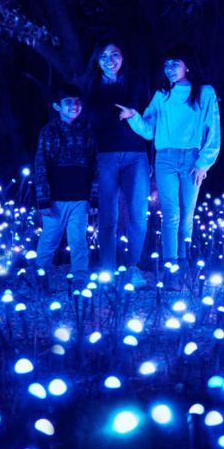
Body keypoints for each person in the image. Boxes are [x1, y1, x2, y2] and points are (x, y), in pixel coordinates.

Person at [118, 44, 220, 288]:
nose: (169, 69)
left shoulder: (205, 93)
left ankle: (182, 268)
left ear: (188, 65)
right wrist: (134, 116)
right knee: (171, 216)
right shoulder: (162, 95)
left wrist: (204, 162)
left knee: (187, 216)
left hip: (192, 158)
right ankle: (171, 273)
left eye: (175, 64)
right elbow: (149, 130)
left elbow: (213, 128)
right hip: (165, 159)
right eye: (166, 65)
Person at [82, 35, 150, 289]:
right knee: (108, 215)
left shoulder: (137, 82)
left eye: (114, 54)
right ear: (96, 61)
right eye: (103, 56)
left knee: (138, 213)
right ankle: (108, 271)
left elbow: (149, 120)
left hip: (136, 154)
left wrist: (151, 159)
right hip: (104, 155)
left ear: (123, 57)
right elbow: (83, 124)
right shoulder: (89, 87)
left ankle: (132, 268)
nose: (109, 60)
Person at [33, 83, 96, 288]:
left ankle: (80, 280)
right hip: (55, 200)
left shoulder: (86, 132)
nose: (74, 106)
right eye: (68, 102)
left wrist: (93, 198)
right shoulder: (49, 132)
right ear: (57, 106)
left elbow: (94, 165)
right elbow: (41, 165)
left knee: (78, 242)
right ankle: (40, 282)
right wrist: (43, 200)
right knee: (49, 241)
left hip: (80, 199)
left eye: (77, 102)